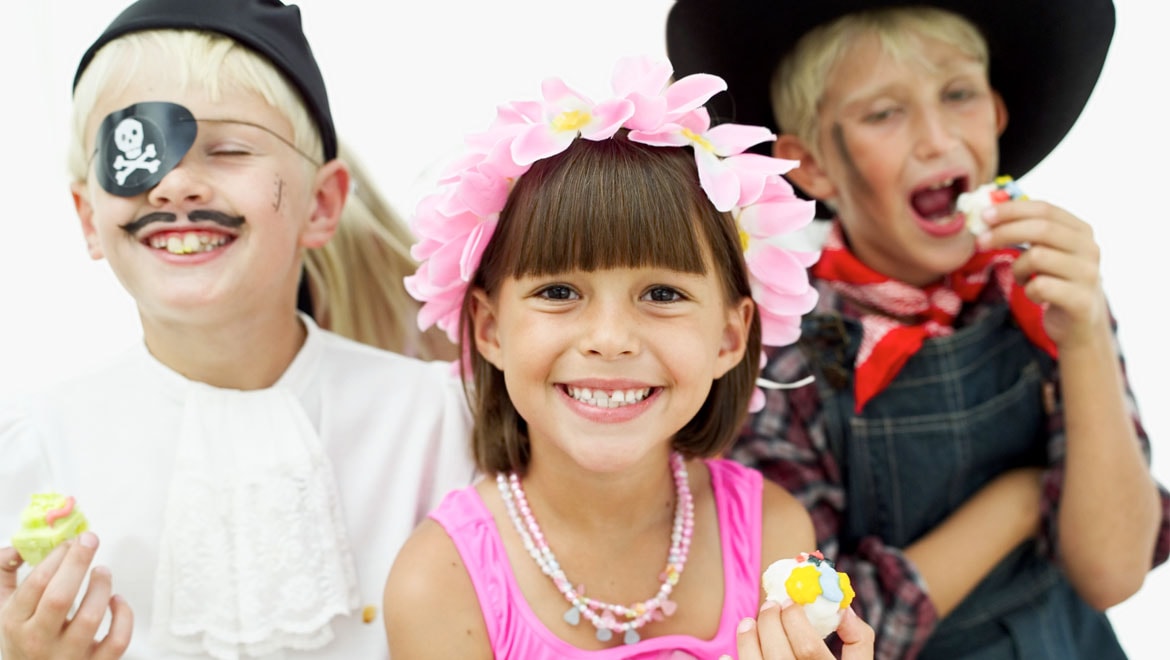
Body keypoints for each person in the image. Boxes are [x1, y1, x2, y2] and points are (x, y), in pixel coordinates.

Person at [665, 1, 1170, 658]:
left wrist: (1084, 339)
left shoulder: (1046, 290)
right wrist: (1018, 504)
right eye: (884, 113)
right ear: (812, 166)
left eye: (958, 94)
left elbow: (1111, 574)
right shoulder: (788, 349)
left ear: (996, 114)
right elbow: (820, 627)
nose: (937, 138)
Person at [0, 0, 474, 657]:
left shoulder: (435, 423)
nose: (175, 186)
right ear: (88, 218)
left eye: (227, 149)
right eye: (135, 152)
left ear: (322, 203)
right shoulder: (34, 448)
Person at [381, 55, 875, 659]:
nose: (610, 339)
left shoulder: (772, 532)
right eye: (558, 292)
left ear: (729, 336)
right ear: (489, 328)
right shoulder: (438, 581)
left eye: (663, 294)